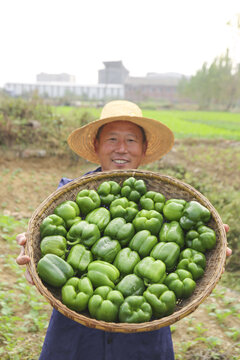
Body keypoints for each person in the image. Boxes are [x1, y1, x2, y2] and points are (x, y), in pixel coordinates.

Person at [16, 100, 232, 360]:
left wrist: (211, 255)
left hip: (143, 338)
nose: (121, 148)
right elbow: (45, 247)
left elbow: (186, 251)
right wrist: (33, 258)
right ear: (96, 146)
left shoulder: (166, 206)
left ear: (143, 148)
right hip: (75, 338)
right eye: (112, 139)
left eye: (131, 140)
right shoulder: (68, 196)